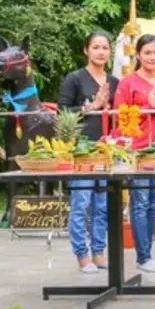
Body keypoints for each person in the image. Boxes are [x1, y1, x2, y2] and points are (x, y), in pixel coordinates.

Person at [57, 31, 119, 273]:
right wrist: (92, 106)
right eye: (96, 47)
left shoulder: (114, 82)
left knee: (102, 205)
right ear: (86, 50)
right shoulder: (74, 79)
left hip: (105, 150)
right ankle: (82, 255)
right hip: (81, 150)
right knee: (81, 203)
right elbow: (62, 113)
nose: (101, 52)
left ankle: (99, 252)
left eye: (105, 48)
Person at [112, 34, 155, 274]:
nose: (152, 57)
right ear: (138, 55)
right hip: (138, 149)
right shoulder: (128, 83)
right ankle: (143, 256)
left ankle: (148, 254)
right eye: (147, 53)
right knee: (140, 202)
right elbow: (120, 117)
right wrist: (148, 107)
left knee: (154, 203)